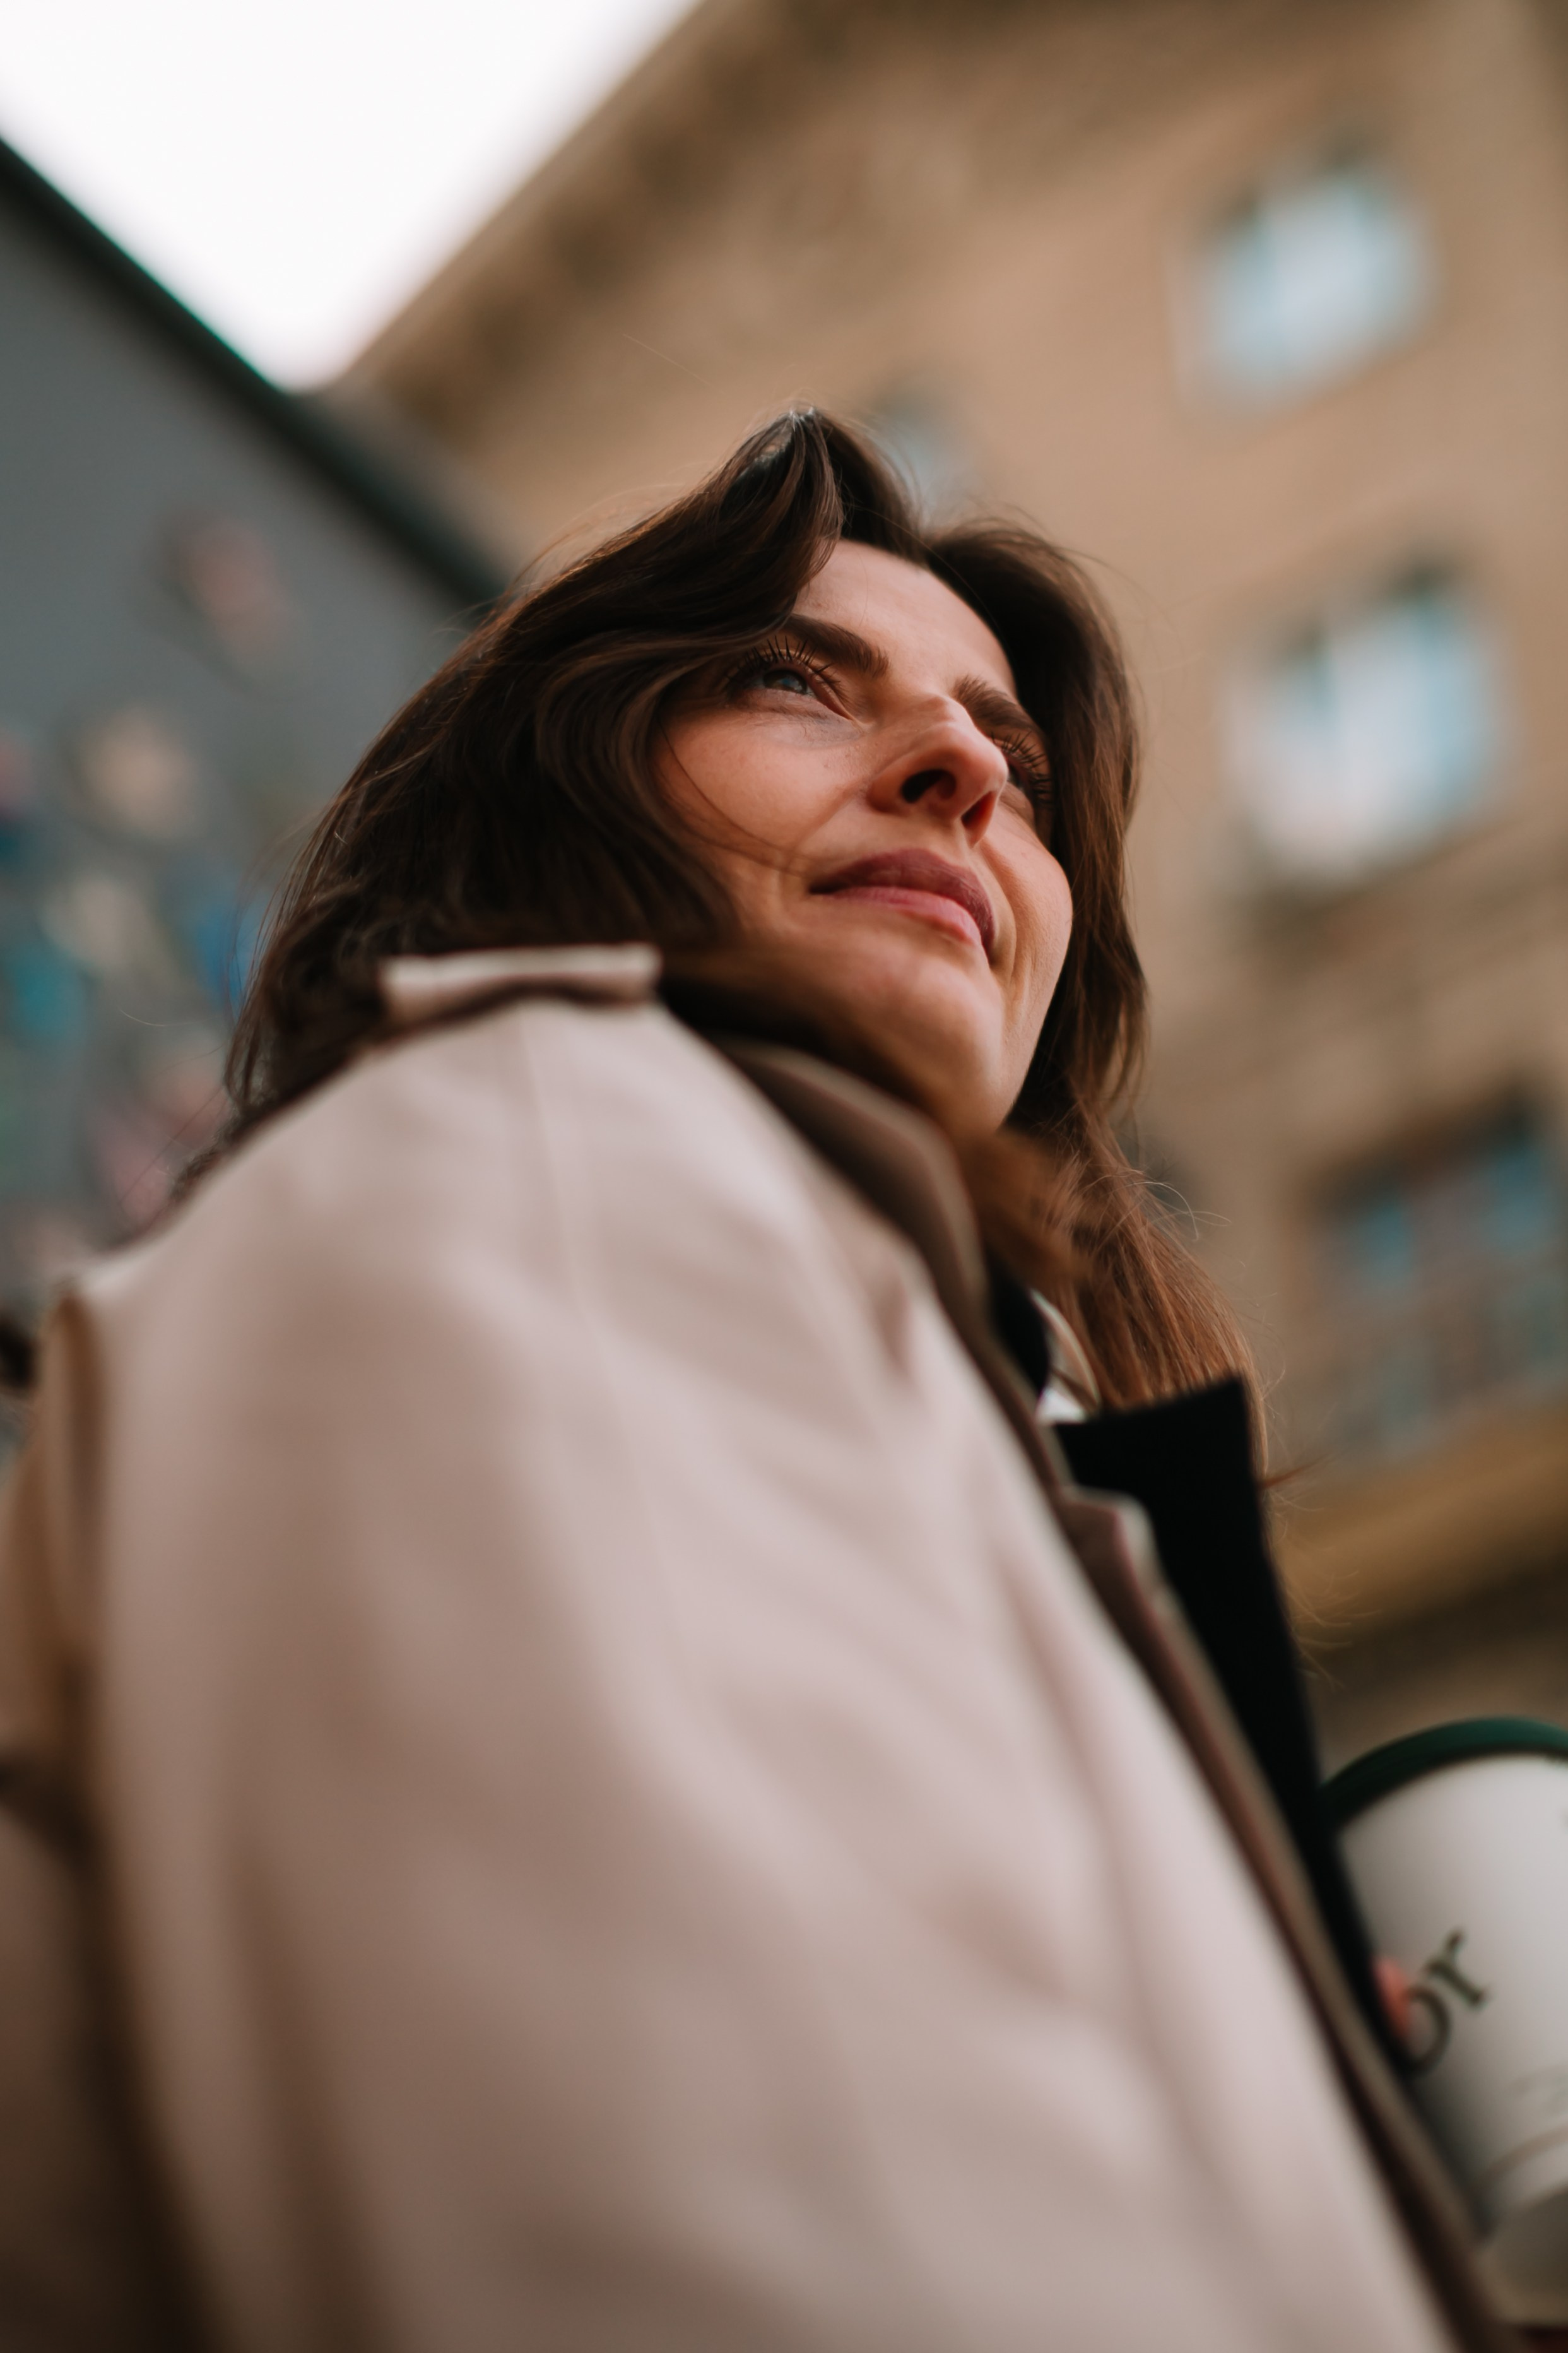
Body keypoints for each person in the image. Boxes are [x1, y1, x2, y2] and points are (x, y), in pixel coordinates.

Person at [0, 413, 1517, 2350]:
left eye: (1020, 764)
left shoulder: (940, 1396)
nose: (966, 767)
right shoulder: (543, 1156)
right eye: (799, 678)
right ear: (560, 796)